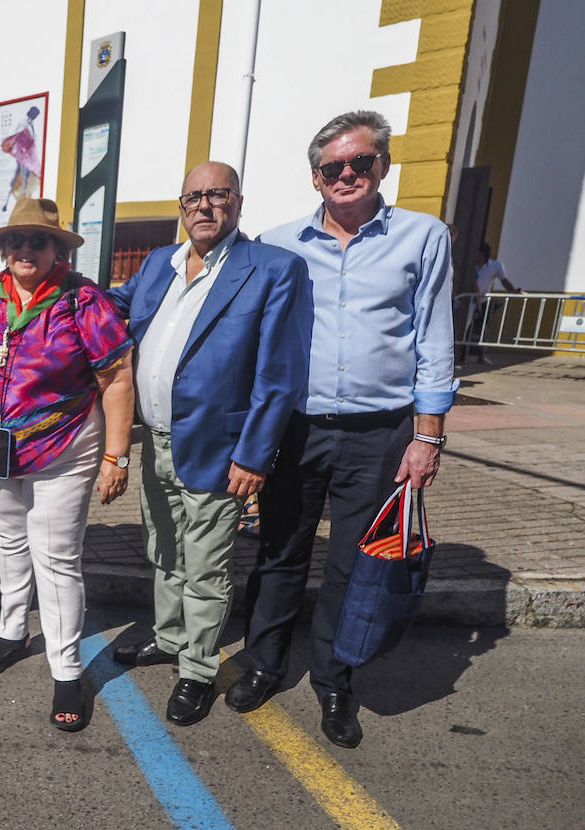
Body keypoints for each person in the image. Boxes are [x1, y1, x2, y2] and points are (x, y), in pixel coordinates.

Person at [230, 111, 457, 748]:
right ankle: (264, 662)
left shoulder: (422, 236)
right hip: (296, 428)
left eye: (361, 163)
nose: (348, 175)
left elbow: (434, 339)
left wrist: (427, 434)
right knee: (278, 552)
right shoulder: (279, 243)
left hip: (379, 431)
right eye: (334, 167)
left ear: (383, 166)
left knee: (352, 566)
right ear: (315, 177)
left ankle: (335, 679)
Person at [106, 164, 311, 726]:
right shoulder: (157, 265)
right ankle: (170, 638)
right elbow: (110, 310)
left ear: (237, 202)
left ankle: (196, 671)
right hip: (158, 442)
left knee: (206, 566)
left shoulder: (273, 270)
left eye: (216, 195)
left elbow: (281, 375)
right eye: (193, 196)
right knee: (164, 550)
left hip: (221, 450)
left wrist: (254, 453)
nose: (203, 206)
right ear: (181, 205)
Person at [0, 197, 133, 732]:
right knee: (9, 544)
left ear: (57, 248)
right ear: (4, 250)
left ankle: (67, 670)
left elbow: (118, 377)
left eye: (37, 240)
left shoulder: (82, 301)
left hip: (65, 445)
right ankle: (13, 631)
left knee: (56, 559)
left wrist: (115, 455)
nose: (25, 249)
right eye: (16, 241)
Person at [465, 242, 523, 365]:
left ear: (483, 254)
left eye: (477, 253)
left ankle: (481, 355)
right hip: (467, 300)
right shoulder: (470, 264)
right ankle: (461, 354)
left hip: (484, 300)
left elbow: (504, 281)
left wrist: (513, 291)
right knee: (465, 328)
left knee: (483, 329)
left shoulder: (496, 266)